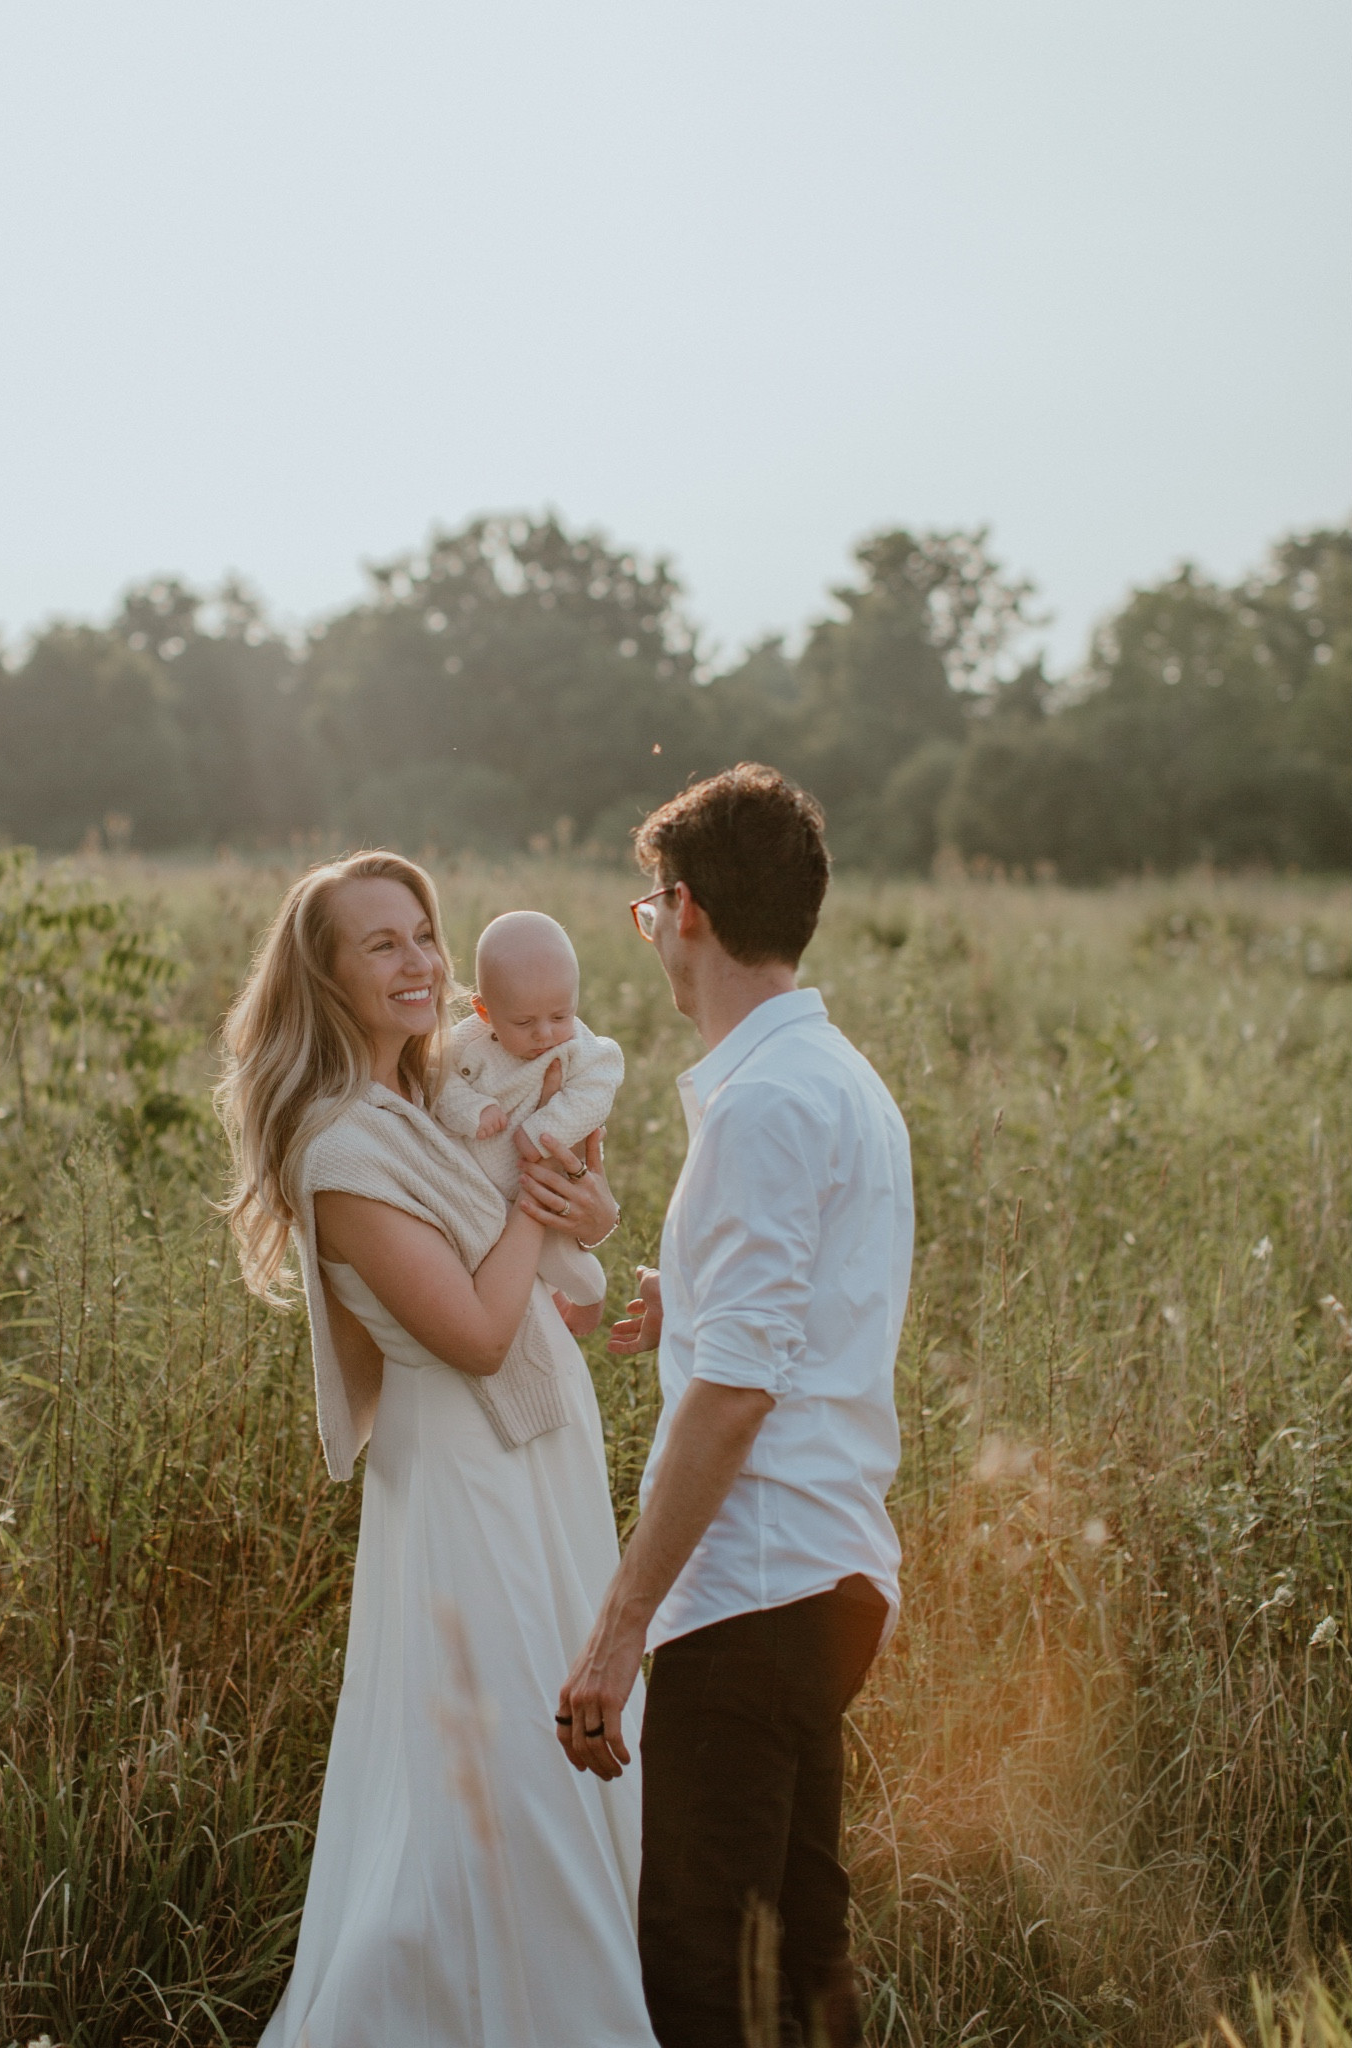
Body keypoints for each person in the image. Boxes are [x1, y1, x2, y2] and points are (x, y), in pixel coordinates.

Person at [215, 851, 658, 2048]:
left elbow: (550, 1287)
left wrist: (581, 1208)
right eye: (381, 942)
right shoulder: (339, 1146)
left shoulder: (440, 1097)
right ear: (328, 973)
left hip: (539, 1458)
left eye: (423, 933)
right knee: (505, 1763)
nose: (416, 960)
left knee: (563, 1746)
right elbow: (469, 1332)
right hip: (465, 1477)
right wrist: (528, 1199)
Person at [555, 765, 913, 2048]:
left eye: (646, 907)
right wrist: (690, 1300)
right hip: (829, 1575)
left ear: (685, 908)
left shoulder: (761, 1102)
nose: (645, 930)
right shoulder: (837, 1078)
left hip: (753, 1585)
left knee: (706, 1974)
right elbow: (795, 1319)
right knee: (800, 1961)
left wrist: (615, 1631)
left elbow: (740, 1392)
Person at [436, 909, 626, 1312]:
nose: (545, 1034)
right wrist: (474, 1108)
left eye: (560, 1015)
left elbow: (596, 1090)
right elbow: (435, 1079)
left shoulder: (580, 1046)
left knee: (563, 1259)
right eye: (522, 1022)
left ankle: (589, 1299)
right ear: (484, 1011)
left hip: (548, 1182)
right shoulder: (467, 1041)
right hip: (476, 1189)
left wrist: (544, 1128)